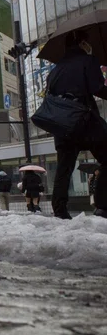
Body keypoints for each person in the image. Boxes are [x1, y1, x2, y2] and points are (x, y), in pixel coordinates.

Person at [47, 30, 107, 219]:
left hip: (62, 124)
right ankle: (103, 205)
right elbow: (98, 88)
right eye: (87, 42)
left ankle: (59, 210)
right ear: (82, 43)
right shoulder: (88, 61)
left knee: (64, 167)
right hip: (85, 121)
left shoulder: (54, 71)